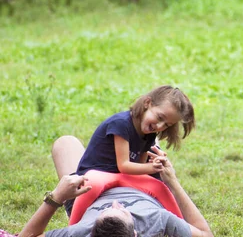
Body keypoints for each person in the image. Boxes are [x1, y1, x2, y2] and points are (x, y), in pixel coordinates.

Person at [14, 136, 214, 237]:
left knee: (66, 143)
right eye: (122, 210)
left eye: (106, 210)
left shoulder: (81, 231)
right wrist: (172, 181)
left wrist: (56, 197)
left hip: (89, 191)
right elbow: (207, 235)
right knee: (148, 137)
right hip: (143, 184)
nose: (114, 203)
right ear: (136, 233)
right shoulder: (158, 220)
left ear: (92, 228)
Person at [65, 85, 195, 217]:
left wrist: (157, 163)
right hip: (90, 184)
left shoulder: (149, 134)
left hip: (118, 184)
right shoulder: (121, 124)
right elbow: (124, 166)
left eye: (167, 125)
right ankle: (73, 225)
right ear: (147, 103)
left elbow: (139, 168)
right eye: (160, 117)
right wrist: (152, 167)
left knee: (160, 186)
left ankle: (180, 222)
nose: (160, 126)